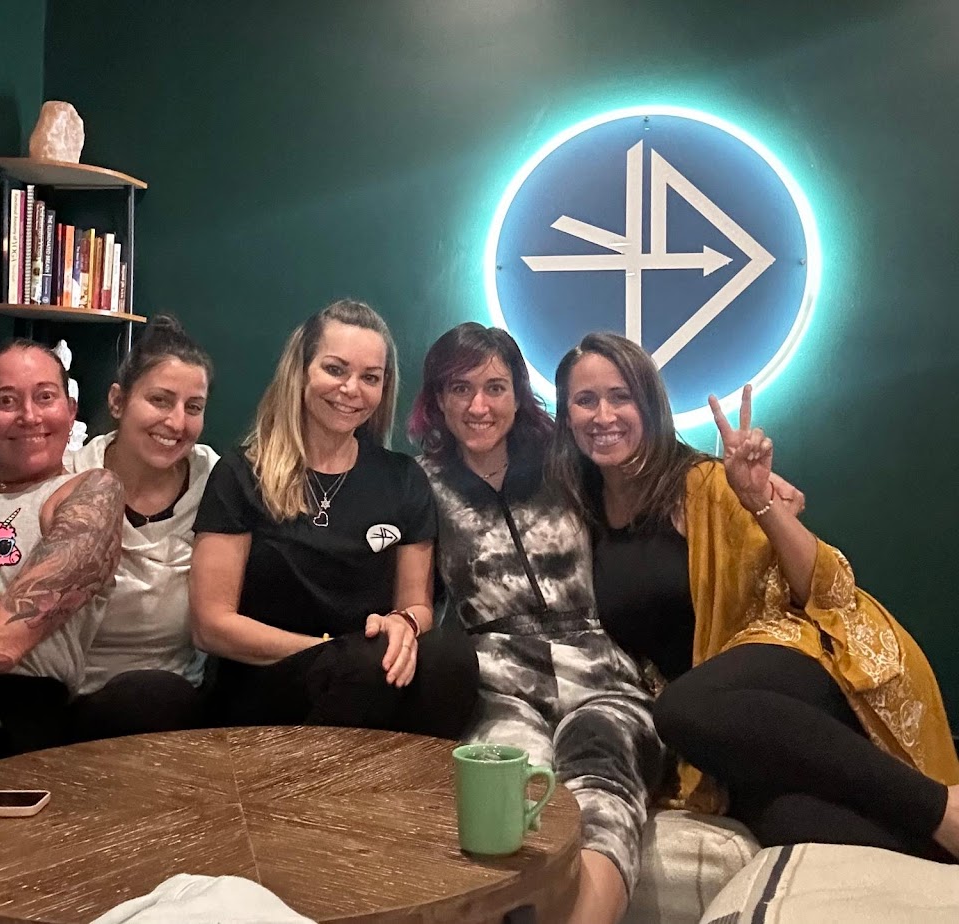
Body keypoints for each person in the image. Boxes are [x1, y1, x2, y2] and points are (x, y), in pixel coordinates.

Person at [549, 331, 959, 862]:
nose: (604, 415)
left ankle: (943, 809)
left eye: (620, 396)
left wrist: (759, 501)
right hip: (724, 717)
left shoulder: (703, 483)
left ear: (649, 405)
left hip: (792, 672)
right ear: (567, 416)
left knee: (686, 705)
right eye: (586, 400)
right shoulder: (577, 509)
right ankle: (941, 852)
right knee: (785, 821)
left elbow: (828, 590)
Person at [409, 322, 662, 924]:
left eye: (495, 387)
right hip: (496, 682)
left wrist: (749, 488)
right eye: (460, 388)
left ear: (518, 394)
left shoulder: (566, 462)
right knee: (507, 789)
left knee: (602, 777)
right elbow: (411, 595)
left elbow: (659, 470)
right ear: (438, 399)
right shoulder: (420, 484)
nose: (479, 406)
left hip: (600, 673)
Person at [190, 299, 478, 738]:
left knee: (449, 657)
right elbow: (210, 626)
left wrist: (403, 624)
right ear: (301, 371)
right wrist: (329, 654)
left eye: (370, 377)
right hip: (266, 685)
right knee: (362, 662)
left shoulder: (403, 479)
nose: (351, 389)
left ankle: (404, 779)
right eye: (335, 369)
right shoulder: (241, 473)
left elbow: (417, 606)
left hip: (369, 676)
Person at [0, 339, 123, 778]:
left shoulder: (88, 493)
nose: (29, 416)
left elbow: (4, 645)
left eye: (45, 397)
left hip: (3, 708)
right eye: (6, 401)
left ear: (70, 412)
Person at [65, 316, 219, 741]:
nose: (176, 422)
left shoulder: (217, 482)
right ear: (118, 401)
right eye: (159, 400)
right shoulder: (67, 478)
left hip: (177, 698)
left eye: (194, 407)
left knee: (154, 697)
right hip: (72, 697)